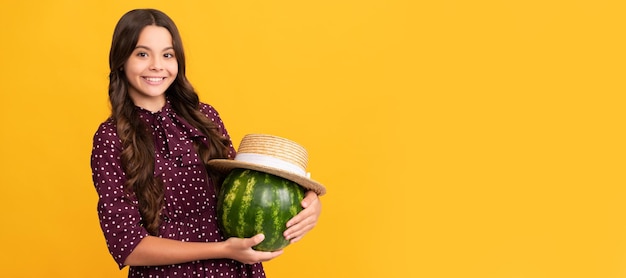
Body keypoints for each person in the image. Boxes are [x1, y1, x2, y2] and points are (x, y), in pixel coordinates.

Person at [90, 8, 322, 277]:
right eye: (142, 54)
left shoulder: (204, 117)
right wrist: (222, 249)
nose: (156, 65)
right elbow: (127, 246)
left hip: (236, 269)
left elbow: (245, 186)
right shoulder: (110, 138)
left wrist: (308, 201)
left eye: (167, 55)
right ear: (121, 60)